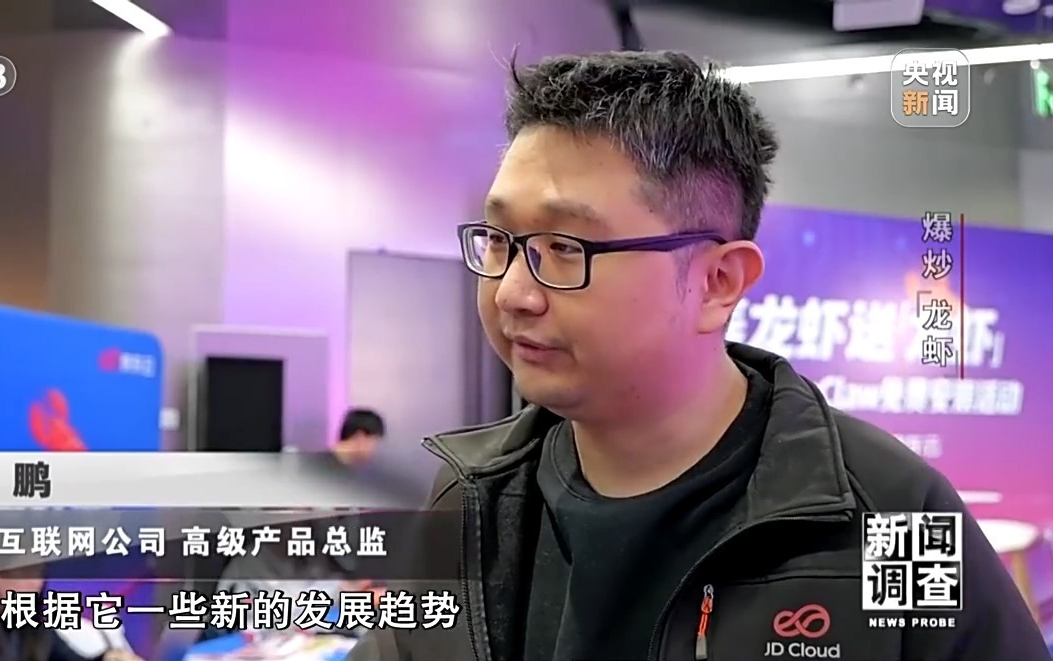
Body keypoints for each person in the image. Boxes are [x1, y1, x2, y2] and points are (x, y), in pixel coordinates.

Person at [345, 51, 1050, 661]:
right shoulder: (471, 495)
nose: (512, 292)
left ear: (718, 282)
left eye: (564, 247)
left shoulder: (890, 514)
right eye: (500, 241)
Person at [0, 566, 142, 661]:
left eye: (38, 574)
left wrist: (107, 659)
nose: (34, 584)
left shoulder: (32, 621)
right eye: (25, 573)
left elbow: (68, 659)